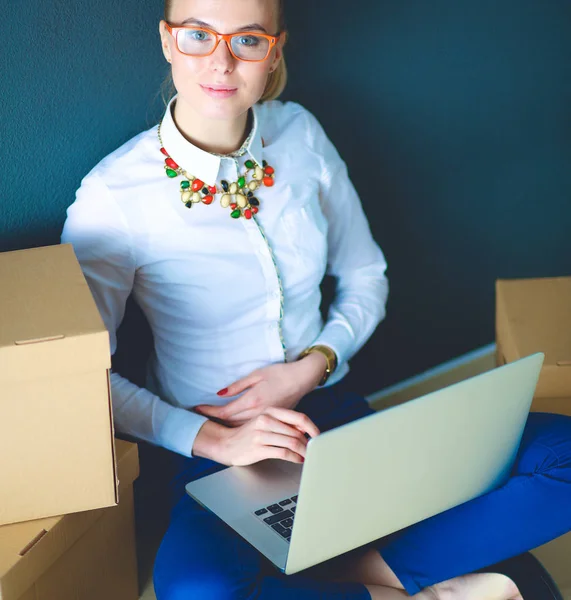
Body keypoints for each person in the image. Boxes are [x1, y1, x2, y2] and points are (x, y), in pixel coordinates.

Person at [61, 0, 571, 598]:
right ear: (169, 42)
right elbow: (82, 383)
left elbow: (366, 275)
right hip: (217, 456)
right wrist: (219, 440)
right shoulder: (111, 197)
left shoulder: (299, 133)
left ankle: (368, 576)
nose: (221, 62)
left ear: (274, 50)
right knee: (197, 592)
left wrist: (312, 366)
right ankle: (433, 589)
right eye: (199, 35)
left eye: (248, 40)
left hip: (334, 419)